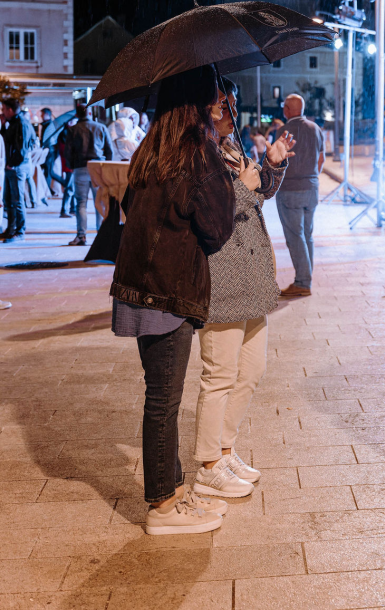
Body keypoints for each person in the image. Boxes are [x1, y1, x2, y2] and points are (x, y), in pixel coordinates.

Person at [110, 65, 237, 535]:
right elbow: (217, 229)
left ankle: (176, 492)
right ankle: (162, 507)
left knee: (160, 396)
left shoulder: (151, 150)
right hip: (169, 290)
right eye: (214, 102)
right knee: (163, 401)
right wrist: (226, 170)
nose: (219, 109)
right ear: (199, 106)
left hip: (139, 289)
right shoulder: (198, 155)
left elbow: (134, 209)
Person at [193, 78, 294, 499]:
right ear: (206, 108)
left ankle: (225, 447)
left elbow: (260, 193)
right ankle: (208, 465)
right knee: (219, 374)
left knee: (251, 370)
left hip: (251, 272)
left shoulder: (231, 147)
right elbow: (205, 212)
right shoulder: (196, 153)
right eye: (223, 104)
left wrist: (272, 164)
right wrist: (244, 187)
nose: (230, 111)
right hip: (222, 274)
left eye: (231, 103)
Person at [276, 94, 324, 298]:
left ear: (286, 109)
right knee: (307, 236)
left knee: (295, 237)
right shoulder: (315, 128)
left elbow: (276, 160)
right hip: (311, 188)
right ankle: (306, 279)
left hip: (290, 190)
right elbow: (321, 159)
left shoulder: (283, 131)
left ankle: (303, 282)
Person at [63, 102, 117, 246]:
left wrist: (72, 166)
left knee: (80, 203)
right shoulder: (101, 127)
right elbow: (109, 150)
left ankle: (81, 236)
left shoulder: (73, 130)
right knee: (99, 202)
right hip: (98, 168)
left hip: (80, 168)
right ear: (90, 113)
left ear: (77, 114)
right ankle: (101, 235)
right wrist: (107, 167)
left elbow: (68, 152)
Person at [2, 98, 36, 242]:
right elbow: (6, 141)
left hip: (17, 167)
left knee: (17, 200)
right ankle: (10, 229)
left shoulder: (21, 124)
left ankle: (19, 231)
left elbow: (21, 149)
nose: (2, 112)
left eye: (3, 109)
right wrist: (3, 126)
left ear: (10, 110)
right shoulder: (14, 123)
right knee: (9, 200)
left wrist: (12, 164)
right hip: (13, 166)